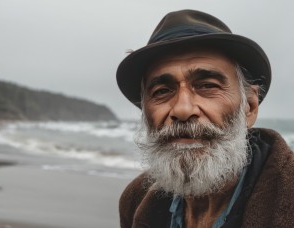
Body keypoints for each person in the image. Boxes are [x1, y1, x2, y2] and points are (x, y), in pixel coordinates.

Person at [116, 9, 294, 228]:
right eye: (162, 91)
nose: (182, 109)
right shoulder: (135, 199)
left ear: (250, 107)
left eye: (208, 86)